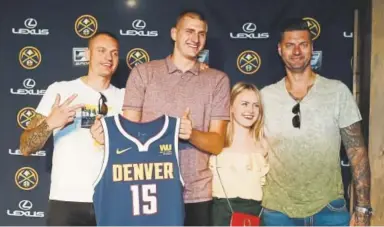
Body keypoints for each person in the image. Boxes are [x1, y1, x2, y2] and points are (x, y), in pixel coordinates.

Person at [91, 10, 230, 226]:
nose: (195, 39)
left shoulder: (217, 80)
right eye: (189, 31)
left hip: (195, 193)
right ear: (174, 33)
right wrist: (105, 137)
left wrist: (190, 134)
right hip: (150, 192)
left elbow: (217, 144)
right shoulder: (144, 73)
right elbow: (128, 133)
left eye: (201, 34)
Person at [260, 18, 371, 226]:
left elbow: (357, 152)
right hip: (278, 211)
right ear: (279, 49)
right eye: (289, 45)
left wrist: (363, 208)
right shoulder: (265, 96)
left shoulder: (337, 92)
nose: (296, 51)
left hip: (329, 208)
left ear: (312, 48)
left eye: (303, 44)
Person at [19, 31, 125, 226]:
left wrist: (112, 141)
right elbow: (26, 146)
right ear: (87, 55)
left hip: (112, 199)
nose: (108, 57)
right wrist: (50, 123)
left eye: (114, 53)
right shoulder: (60, 90)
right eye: (101, 50)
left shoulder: (126, 98)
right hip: (67, 199)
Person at [209, 82, 269, 226]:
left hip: (256, 214)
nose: (251, 110)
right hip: (221, 215)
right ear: (231, 107)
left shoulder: (264, 144)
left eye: (256, 105)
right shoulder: (216, 142)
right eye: (244, 103)